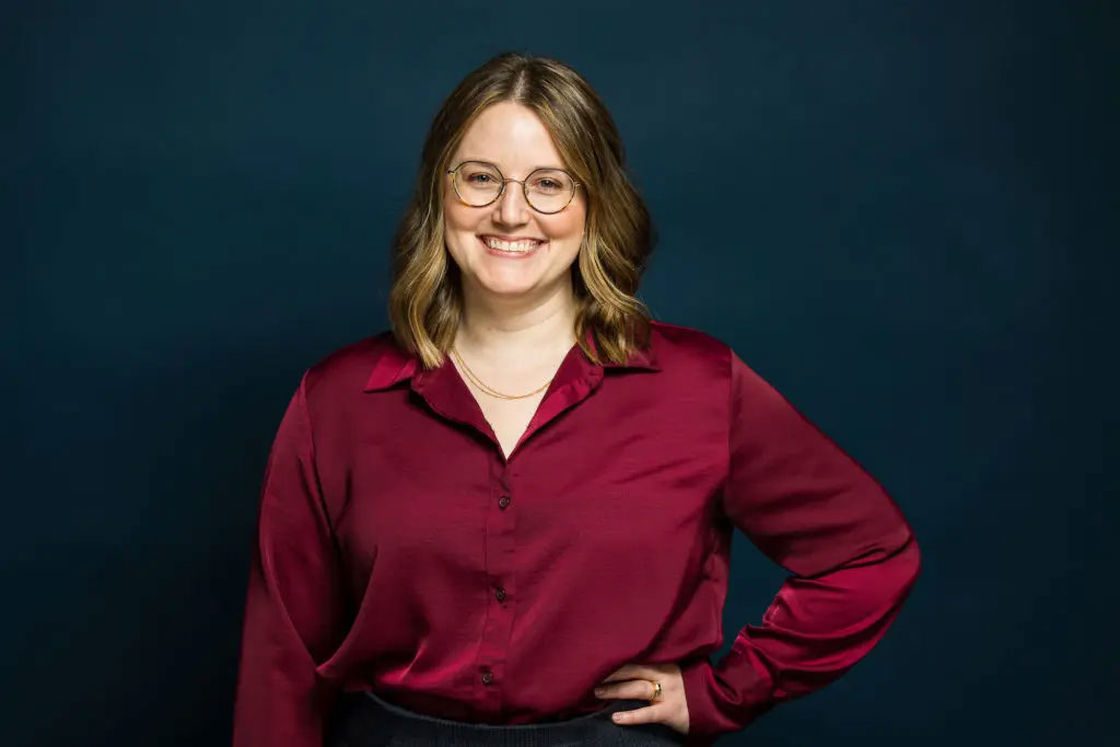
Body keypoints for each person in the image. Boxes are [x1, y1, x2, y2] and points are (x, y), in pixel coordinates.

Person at [230, 52, 921, 747]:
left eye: (549, 184)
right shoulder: (337, 401)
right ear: (439, 194)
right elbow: (280, 663)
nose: (510, 211)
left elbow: (870, 552)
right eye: (480, 179)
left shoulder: (701, 386)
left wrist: (727, 689)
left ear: (594, 204)